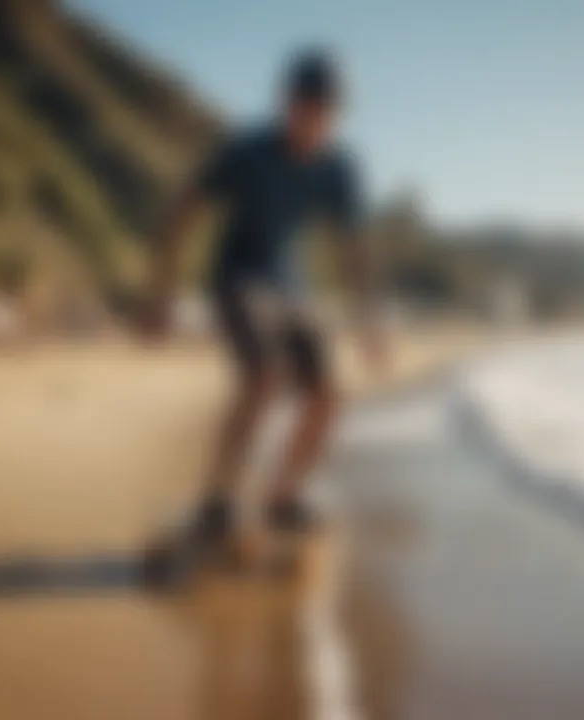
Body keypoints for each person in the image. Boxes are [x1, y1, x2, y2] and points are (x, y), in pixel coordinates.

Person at [144, 48, 385, 559]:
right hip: (237, 279)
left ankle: (282, 498)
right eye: (307, 104)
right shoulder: (247, 151)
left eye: (327, 109)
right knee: (264, 374)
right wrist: (160, 293)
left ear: (337, 114)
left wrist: (370, 320)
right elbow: (185, 210)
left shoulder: (339, 168)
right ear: (286, 102)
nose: (315, 117)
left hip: (290, 287)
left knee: (327, 395)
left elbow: (354, 250)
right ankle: (217, 503)